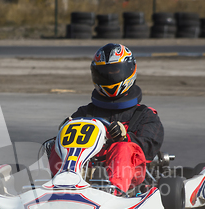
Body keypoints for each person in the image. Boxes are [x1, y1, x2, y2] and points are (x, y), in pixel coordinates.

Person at [49, 43, 164, 194]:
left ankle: (115, 192)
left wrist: (125, 137)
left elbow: (149, 146)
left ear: (130, 71)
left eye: (115, 72)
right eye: (104, 73)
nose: (110, 77)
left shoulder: (144, 114)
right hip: (88, 166)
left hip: (131, 172)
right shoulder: (86, 112)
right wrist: (65, 129)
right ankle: (57, 185)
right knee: (56, 145)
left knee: (122, 147)